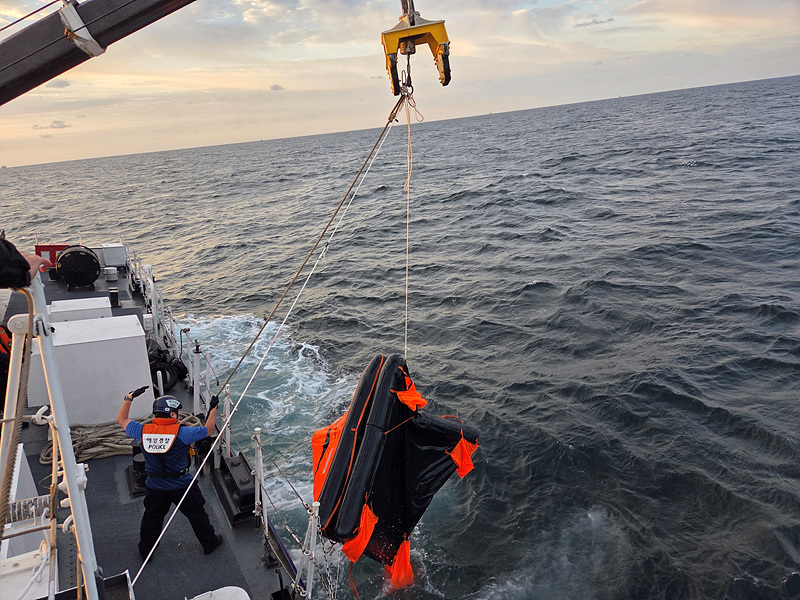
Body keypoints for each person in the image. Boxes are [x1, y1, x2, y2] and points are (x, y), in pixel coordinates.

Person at [116, 386, 223, 558]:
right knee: (196, 514)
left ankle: (146, 550)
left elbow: (121, 419)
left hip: (155, 486)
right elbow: (208, 430)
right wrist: (213, 409)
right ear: (172, 414)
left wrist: (129, 398)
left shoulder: (142, 431)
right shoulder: (183, 433)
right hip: (182, 485)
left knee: (152, 517)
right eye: (177, 412)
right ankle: (209, 543)